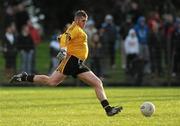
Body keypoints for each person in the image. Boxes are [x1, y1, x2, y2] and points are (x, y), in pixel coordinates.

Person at [10, 10, 122, 116]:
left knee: (97, 83)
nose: (84, 23)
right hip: (71, 61)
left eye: (85, 21)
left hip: (78, 63)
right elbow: (65, 37)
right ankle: (24, 77)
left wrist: (63, 42)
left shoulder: (77, 29)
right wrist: (63, 49)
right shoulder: (75, 27)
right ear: (77, 20)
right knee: (52, 82)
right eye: (83, 21)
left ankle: (108, 109)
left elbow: (63, 37)